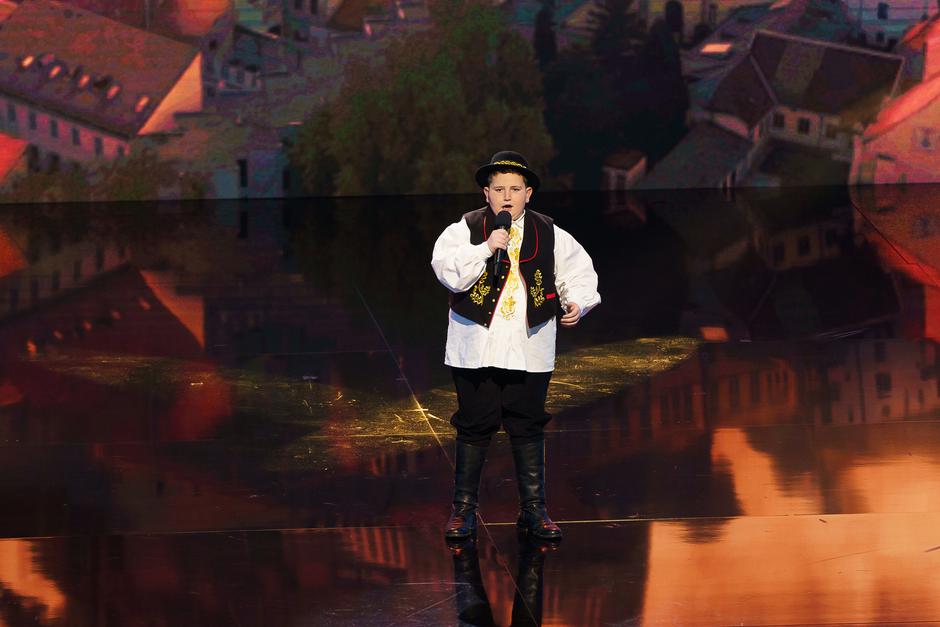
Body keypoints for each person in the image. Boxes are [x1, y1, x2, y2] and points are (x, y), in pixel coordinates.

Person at [430, 150, 601, 542]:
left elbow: (577, 272)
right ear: (486, 193)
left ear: (528, 194)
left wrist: (577, 302)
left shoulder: (550, 233)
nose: (507, 196)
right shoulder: (465, 229)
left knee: (527, 425)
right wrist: (486, 247)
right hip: (476, 346)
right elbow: (448, 272)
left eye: (515, 189)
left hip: (530, 345)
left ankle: (534, 510)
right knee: (475, 425)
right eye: (499, 189)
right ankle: (463, 510)